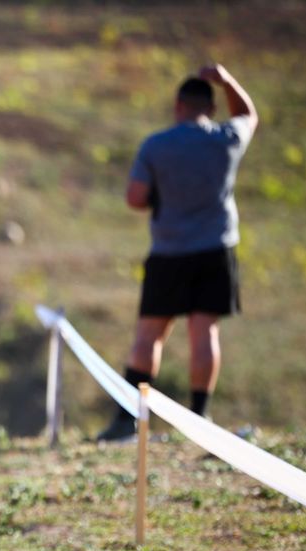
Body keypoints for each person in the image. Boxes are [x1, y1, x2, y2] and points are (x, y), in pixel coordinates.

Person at [98, 64, 258, 441]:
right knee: (205, 333)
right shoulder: (225, 138)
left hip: (169, 251)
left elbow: (135, 197)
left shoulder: (156, 146)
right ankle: (200, 418)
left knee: (149, 336)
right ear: (211, 108)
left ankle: (127, 421)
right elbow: (249, 115)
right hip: (215, 249)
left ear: (178, 106)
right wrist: (227, 78)